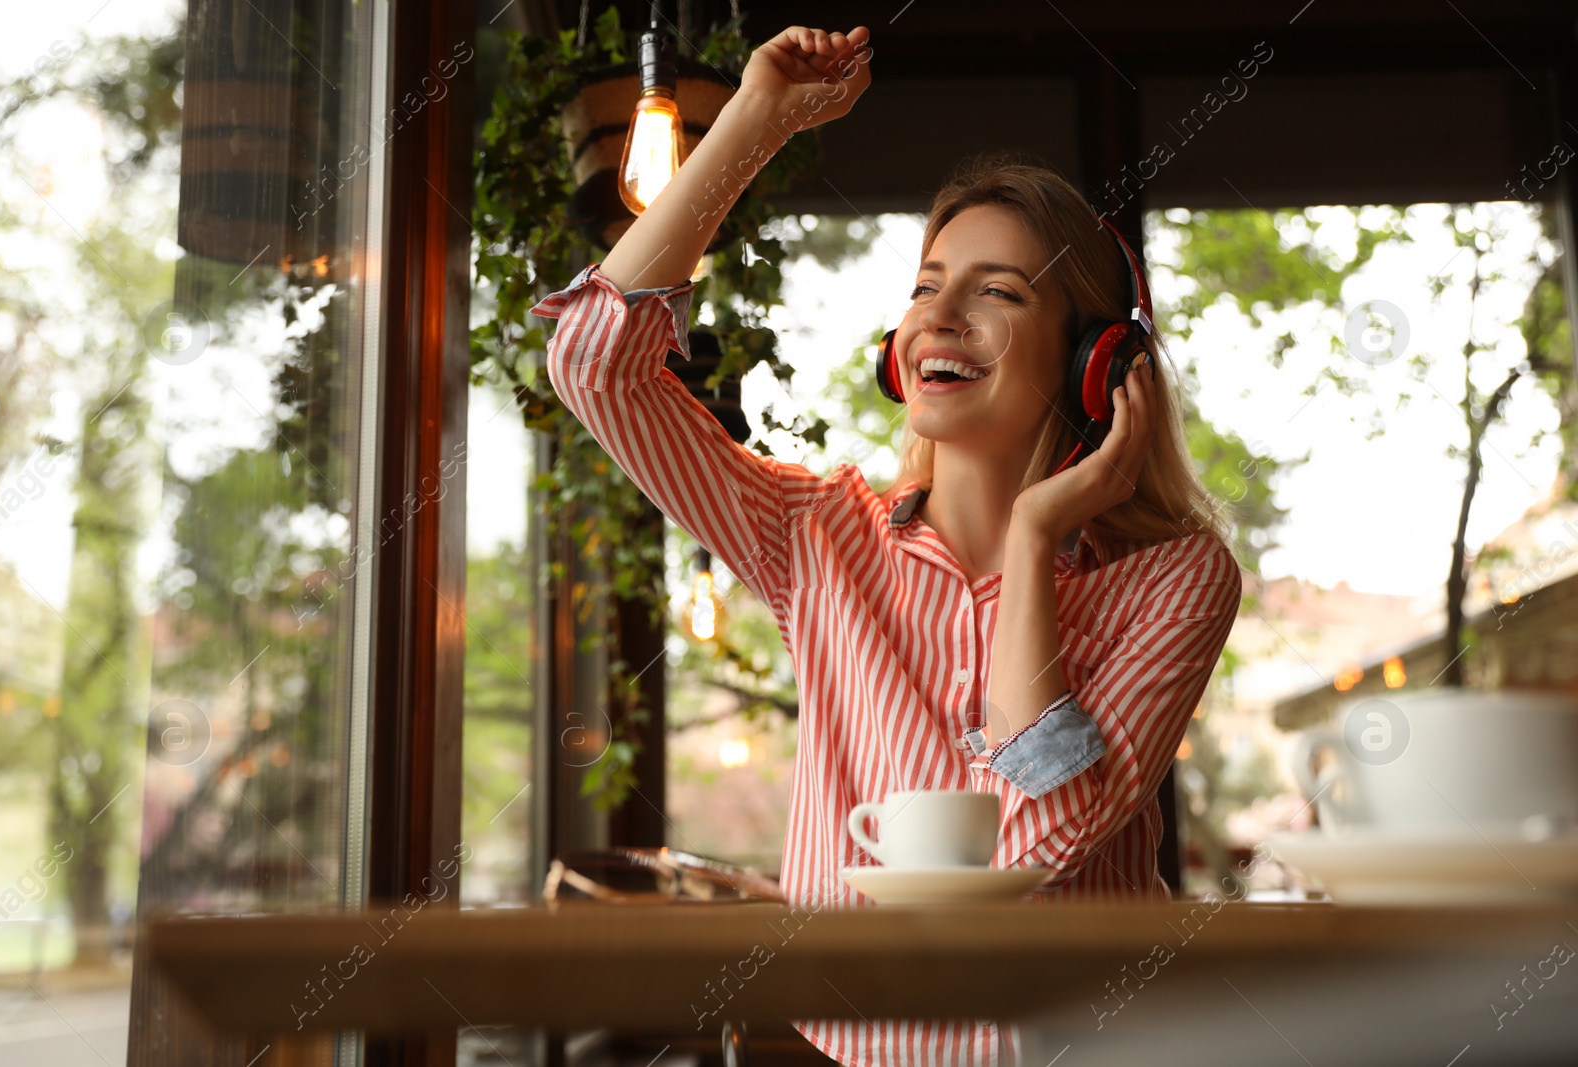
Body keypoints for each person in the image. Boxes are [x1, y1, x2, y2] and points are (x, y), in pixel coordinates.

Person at [532, 24, 1243, 1067]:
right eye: (924, 285)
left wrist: (1039, 531)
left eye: (997, 291)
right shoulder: (810, 529)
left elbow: (1038, 831)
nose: (940, 316)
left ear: (1097, 363)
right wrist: (753, 121)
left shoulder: (1176, 576)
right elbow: (595, 363)